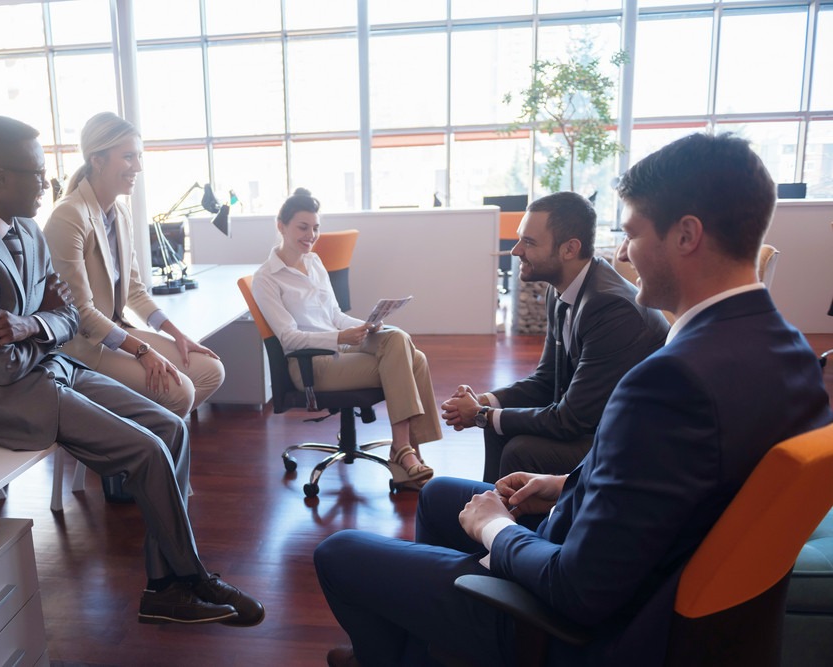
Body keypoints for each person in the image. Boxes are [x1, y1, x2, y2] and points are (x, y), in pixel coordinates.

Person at [314, 132, 833, 666]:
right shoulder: (792, 354)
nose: (622, 252)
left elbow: (578, 590)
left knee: (340, 552)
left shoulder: (672, 384)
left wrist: (497, 528)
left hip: (576, 626)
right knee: (441, 494)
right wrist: (564, 484)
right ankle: (425, 647)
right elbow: (678, 483)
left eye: (631, 233)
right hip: (635, 570)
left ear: (686, 236)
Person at [0, 116, 263, 627]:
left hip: (47, 368)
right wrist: (44, 327)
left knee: (169, 426)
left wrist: (29, 325)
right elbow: (0, 363)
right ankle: (188, 579)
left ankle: (166, 585)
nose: (49, 182)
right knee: (147, 450)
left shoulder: (28, 230)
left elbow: (65, 315)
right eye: (36, 173)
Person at [441, 192, 670, 483]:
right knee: (502, 428)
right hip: (597, 424)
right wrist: (484, 402)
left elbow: (571, 420)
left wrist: (481, 414)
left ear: (569, 249)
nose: (516, 250)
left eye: (529, 242)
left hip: (631, 446)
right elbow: (546, 379)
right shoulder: (562, 287)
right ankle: (490, 513)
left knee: (520, 449)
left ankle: (510, 521)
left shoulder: (611, 308)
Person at [251, 188, 441, 490]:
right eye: (302, 227)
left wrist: (365, 326)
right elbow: (288, 339)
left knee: (399, 340)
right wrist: (342, 336)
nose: (310, 235)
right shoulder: (266, 278)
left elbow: (335, 314)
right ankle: (405, 454)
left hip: (339, 347)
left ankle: (406, 451)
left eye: (315, 228)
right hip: (311, 365)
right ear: (281, 225)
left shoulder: (313, 263)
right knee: (410, 359)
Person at [45, 112, 223, 420]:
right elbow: (80, 313)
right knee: (180, 391)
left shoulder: (121, 214)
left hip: (117, 330)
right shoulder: (68, 216)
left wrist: (176, 333)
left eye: (138, 156)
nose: (138, 167)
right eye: (128, 157)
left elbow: (136, 292)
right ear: (97, 160)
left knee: (210, 371)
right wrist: (142, 351)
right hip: (83, 345)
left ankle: (136, 446)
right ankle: (135, 453)